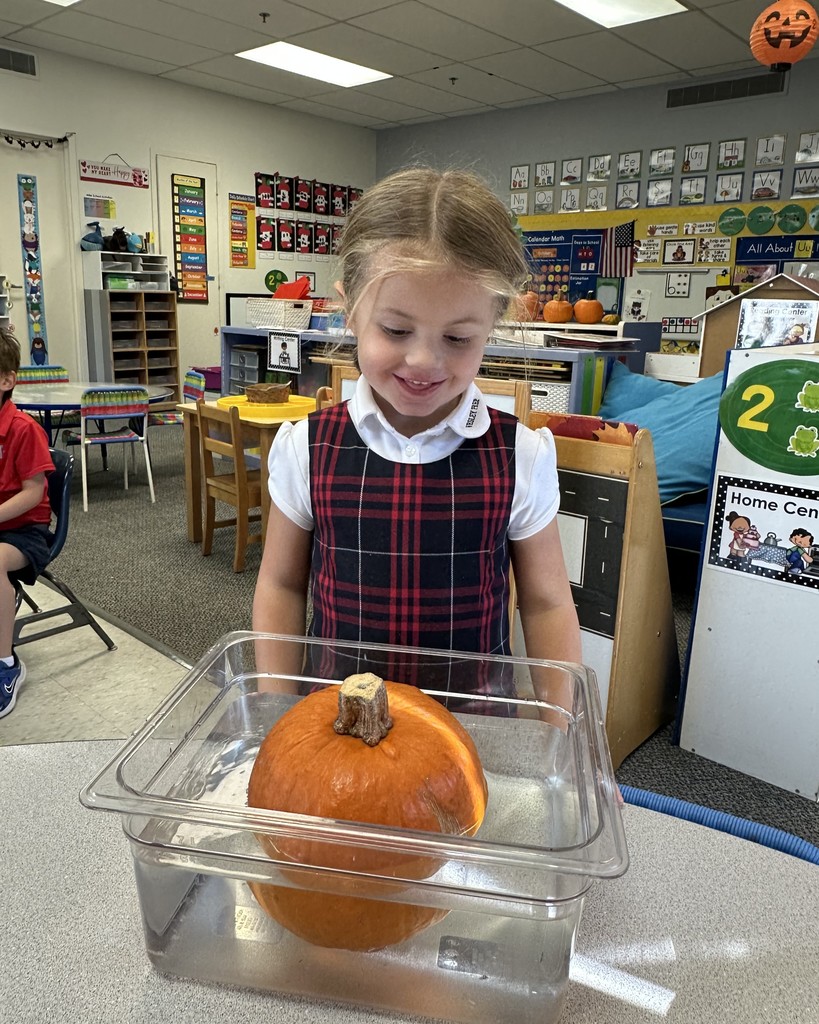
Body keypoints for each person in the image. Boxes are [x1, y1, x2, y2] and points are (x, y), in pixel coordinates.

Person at [252, 167, 580, 708]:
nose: (424, 361)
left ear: (493, 326)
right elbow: (282, 586)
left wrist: (560, 738)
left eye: (457, 337)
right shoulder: (304, 448)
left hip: (472, 731)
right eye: (396, 330)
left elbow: (546, 605)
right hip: (337, 726)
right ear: (348, 311)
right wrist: (273, 712)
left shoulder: (522, 454)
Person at [0, 326, 55, 718]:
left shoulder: (24, 429)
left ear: (7, 379)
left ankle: (6, 665)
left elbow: (34, 494)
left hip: (26, 532)